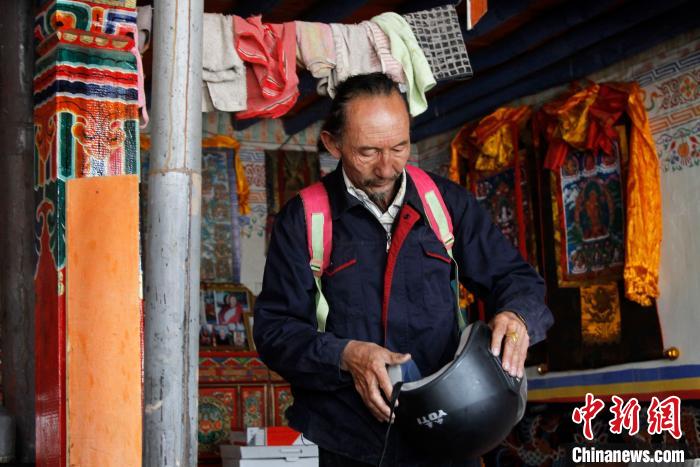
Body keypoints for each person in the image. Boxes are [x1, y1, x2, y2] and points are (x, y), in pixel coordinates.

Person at [254, 73, 554, 466]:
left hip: (450, 431)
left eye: (399, 147)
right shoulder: (304, 220)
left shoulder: (444, 204)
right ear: (333, 143)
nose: (387, 168)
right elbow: (276, 331)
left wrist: (518, 315)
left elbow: (516, 278)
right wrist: (346, 355)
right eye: (368, 152)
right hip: (349, 441)